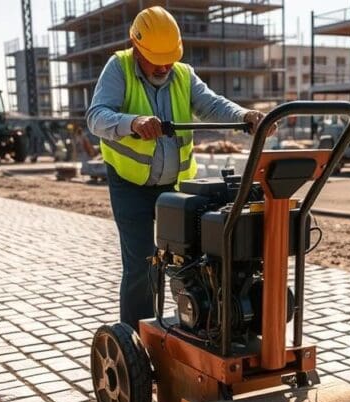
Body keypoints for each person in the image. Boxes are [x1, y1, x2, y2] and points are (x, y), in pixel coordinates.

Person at [86, 5, 269, 330]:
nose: (164, 66)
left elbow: (211, 104)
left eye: (169, 57)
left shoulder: (183, 74)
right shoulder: (119, 68)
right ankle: (134, 337)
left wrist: (244, 115)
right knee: (143, 264)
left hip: (176, 185)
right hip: (130, 186)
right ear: (136, 46)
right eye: (156, 58)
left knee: (197, 257)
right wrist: (133, 122)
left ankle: (195, 322)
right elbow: (96, 116)